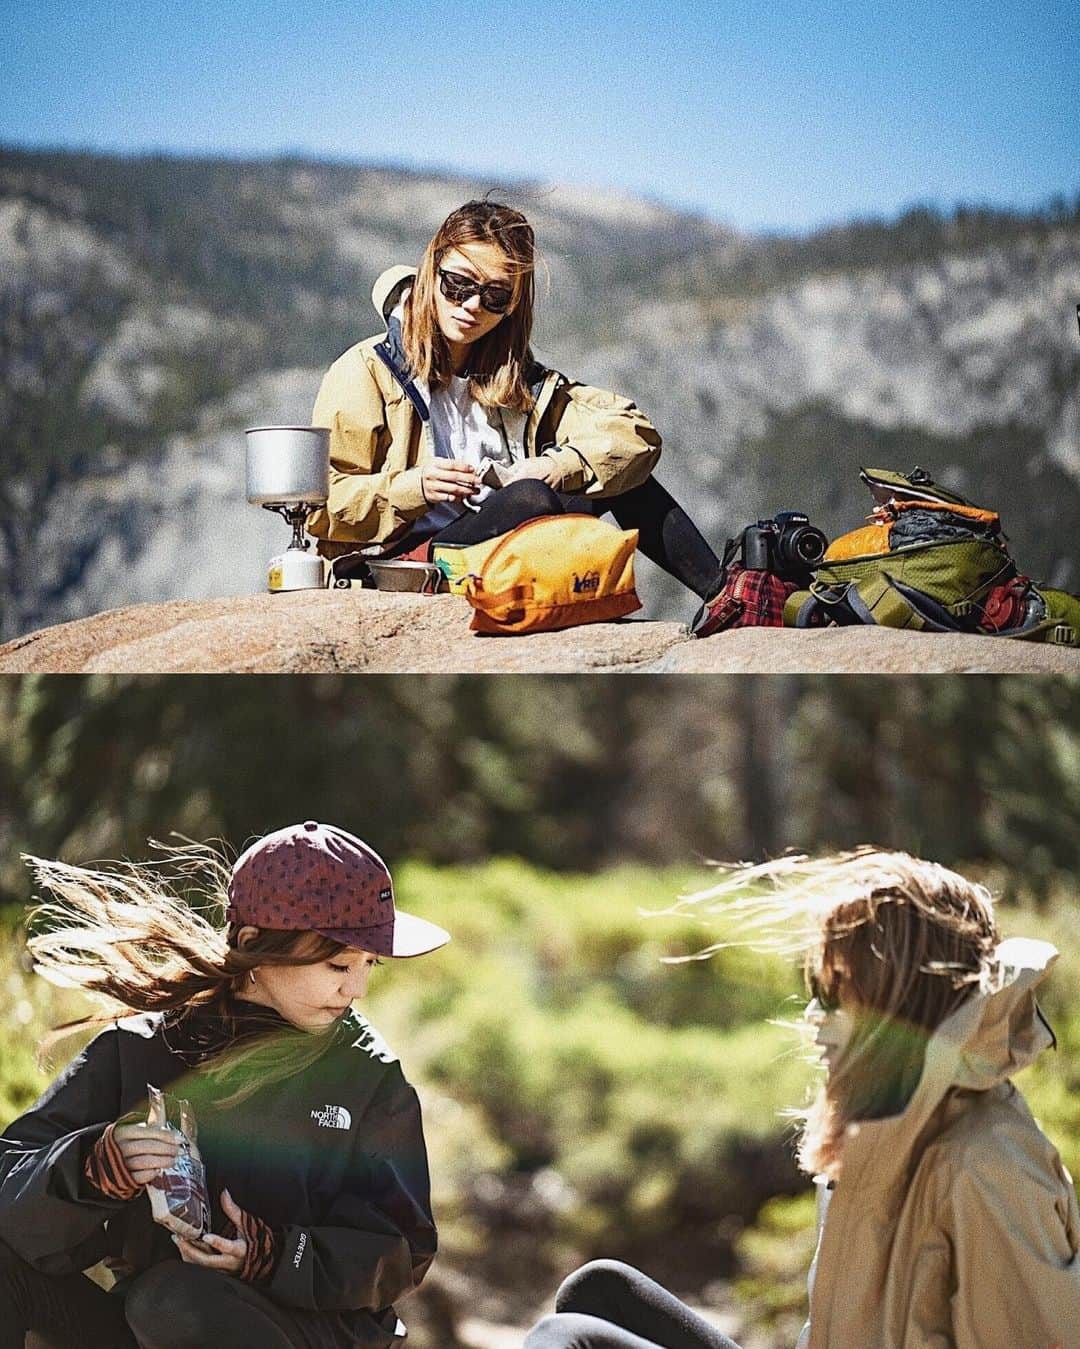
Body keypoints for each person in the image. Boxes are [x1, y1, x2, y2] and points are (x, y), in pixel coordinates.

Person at [525, 849, 1080, 1349]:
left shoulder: (983, 1165)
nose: (813, 1018)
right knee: (599, 1290)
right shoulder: (889, 1133)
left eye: (833, 996)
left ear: (896, 1007)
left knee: (568, 1340)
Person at [0, 821, 450, 1349]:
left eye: (368, 963)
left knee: (174, 1301)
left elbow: (402, 1252)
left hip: (311, 1335)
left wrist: (273, 1256)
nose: (358, 988)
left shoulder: (370, 1078)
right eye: (337, 964)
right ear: (255, 945)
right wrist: (95, 1168)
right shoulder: (138, 1049)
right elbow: (11, 1189)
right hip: (149, 1323)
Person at [306, 199, 730, 633]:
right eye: (457, 285)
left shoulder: (519, 381)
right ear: (431, 273)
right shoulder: (367, 369)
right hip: (407, 564)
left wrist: (551, 466)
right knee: (532, 499)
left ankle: (727, 599)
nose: (471, 305)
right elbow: (317, 506)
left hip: (498, 543)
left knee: (617, 481)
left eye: (493, 296)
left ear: (511, 306)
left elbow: (632, 435)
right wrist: (415, 487)